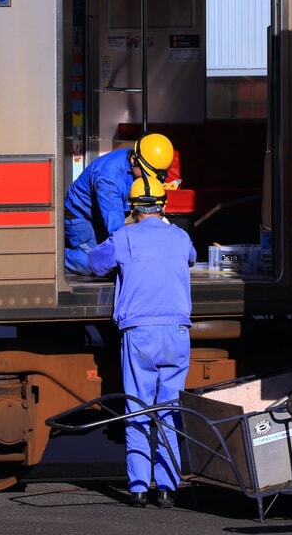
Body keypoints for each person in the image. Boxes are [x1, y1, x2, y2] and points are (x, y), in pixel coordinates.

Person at [86, 175, 195, 508]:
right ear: (163, 206)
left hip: (140, 334)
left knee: (138, 408)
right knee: (170, 410)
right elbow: (191, 257)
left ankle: (137, 488)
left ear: (132, 209)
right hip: (177, 332)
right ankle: (167, 488)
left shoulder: (124, 237)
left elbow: (95, 263)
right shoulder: (180, 237)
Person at [64, 132, 174, 276]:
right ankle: (57, 259)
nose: (148, 180)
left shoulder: (144, 160)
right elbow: (116, 227)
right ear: (134, 160)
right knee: (98, 264)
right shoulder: (109, 177)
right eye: (146, 175)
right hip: (80, 216)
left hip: (103, 216)